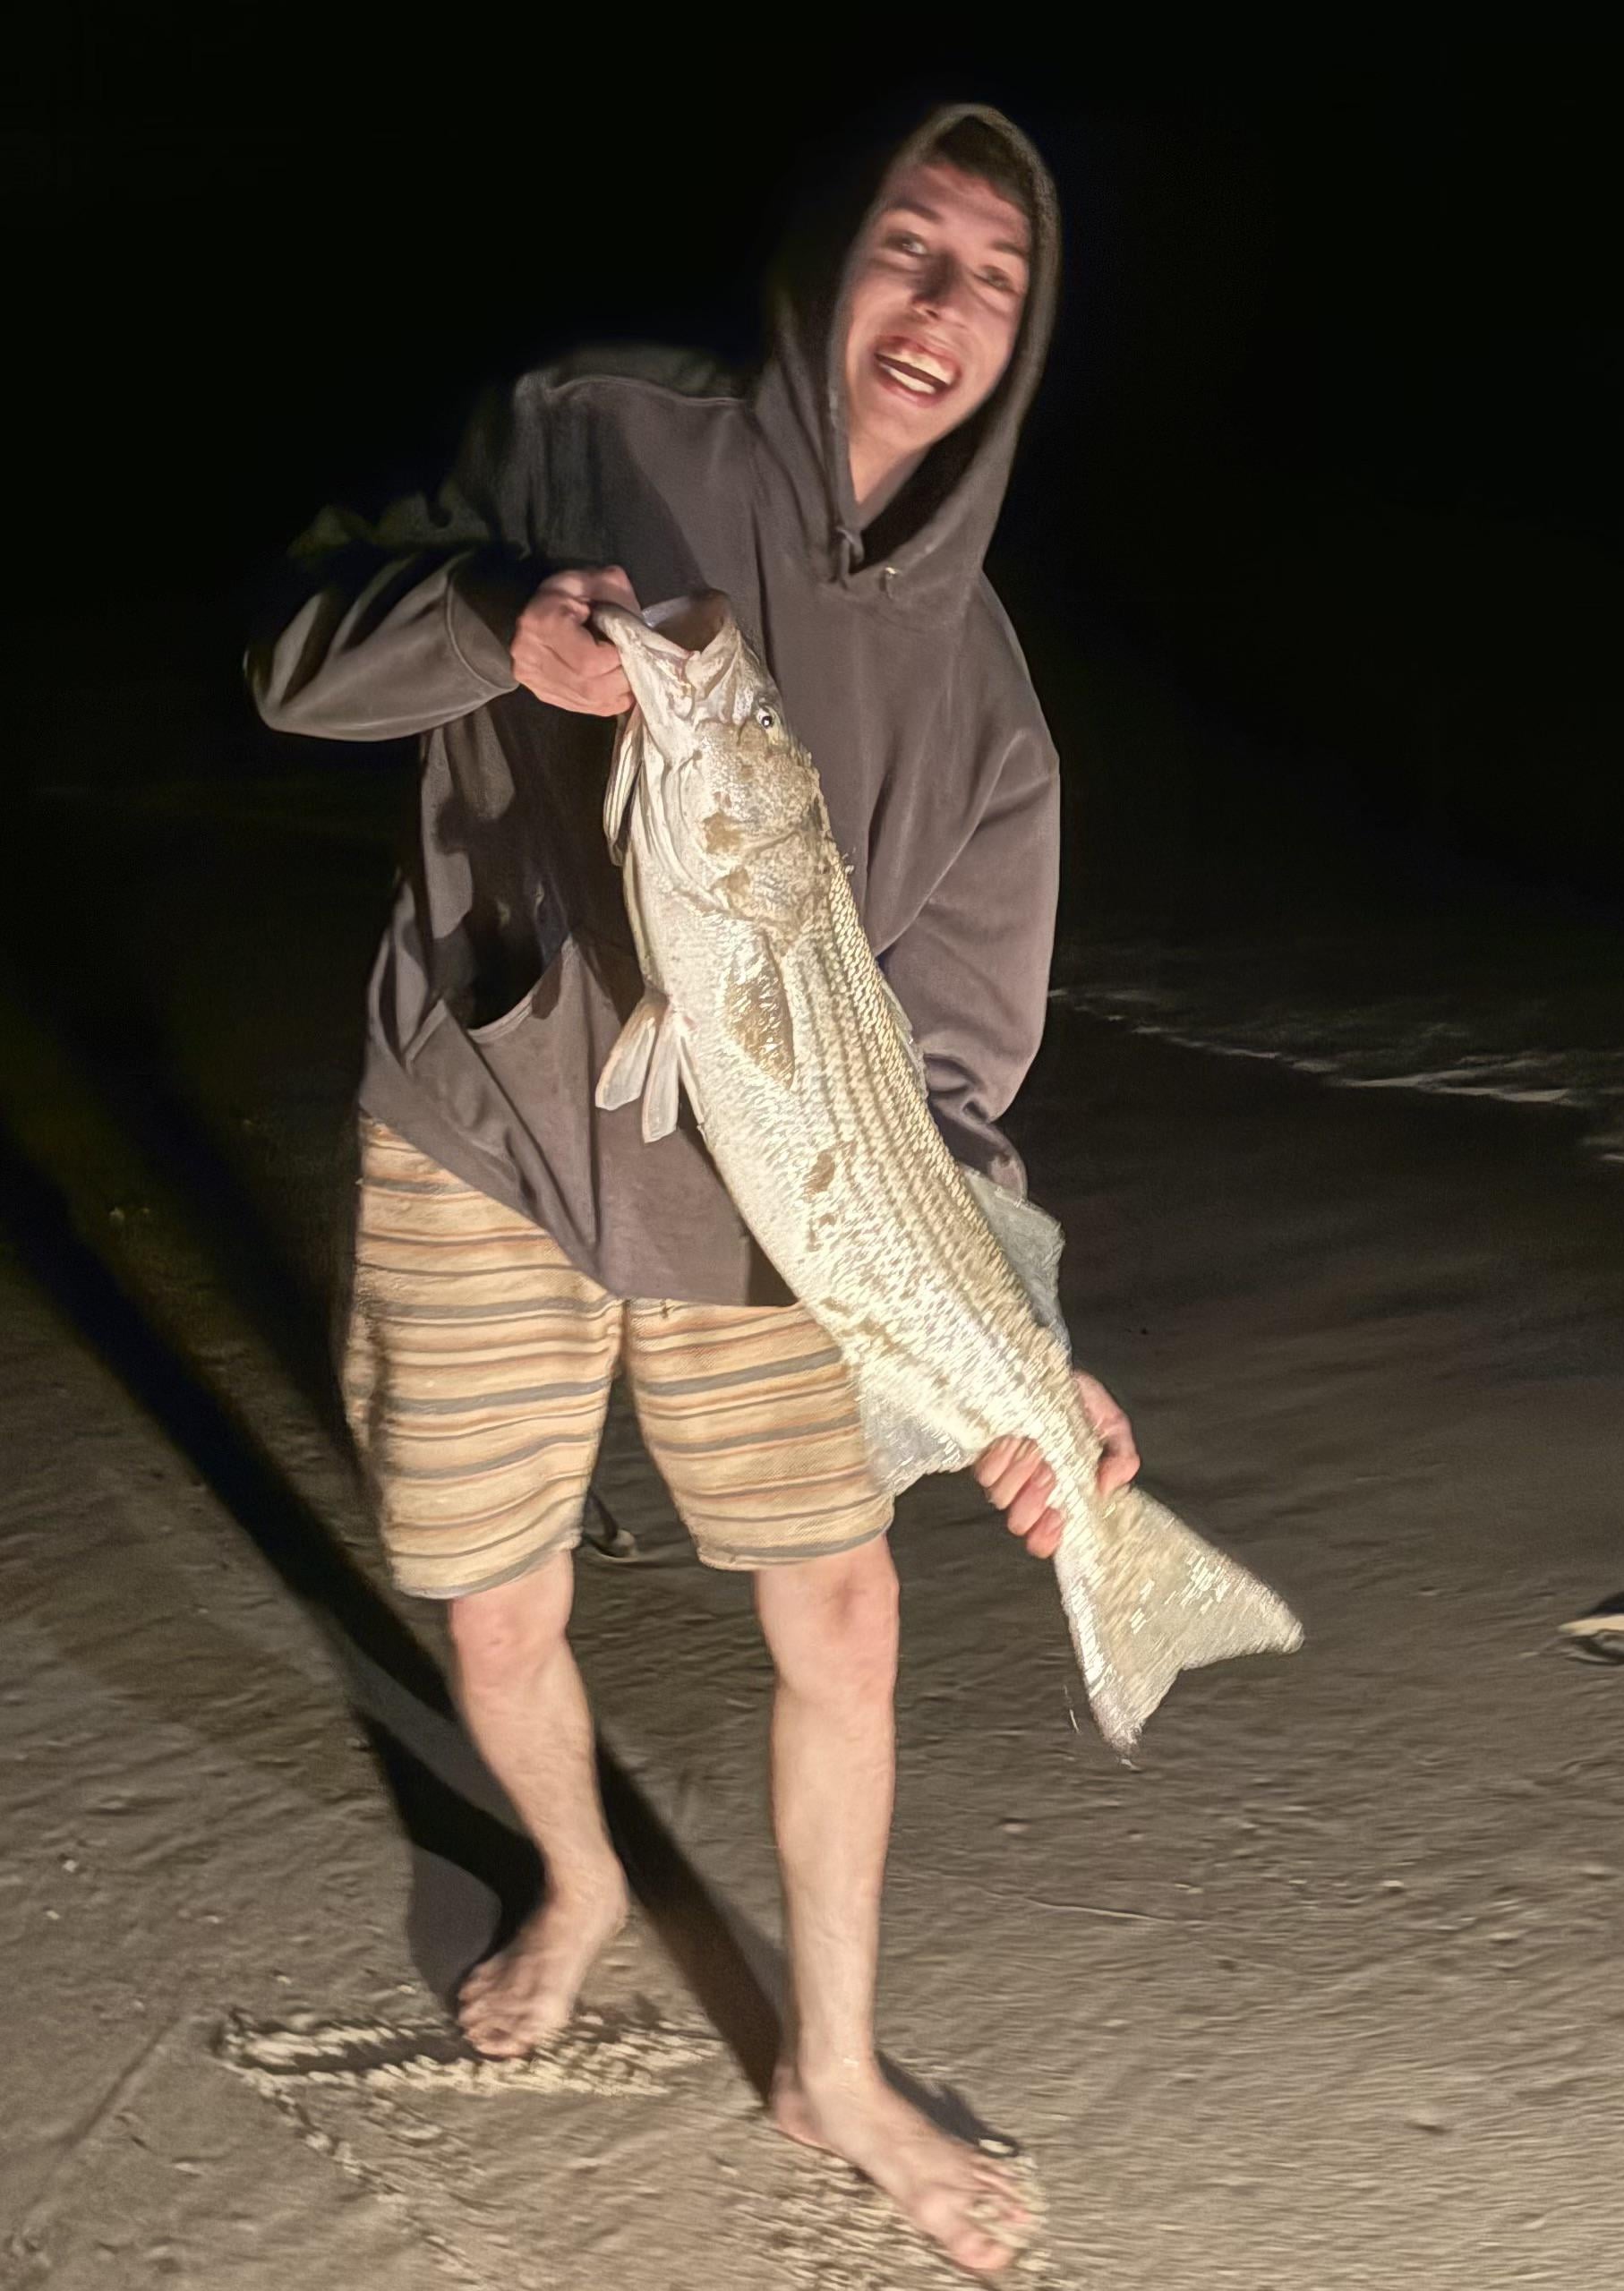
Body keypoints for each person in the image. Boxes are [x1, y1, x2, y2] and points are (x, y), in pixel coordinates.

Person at [248, 103, 1138, 2280]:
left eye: (994, 279)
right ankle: (574, 1875)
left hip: (770, 1189)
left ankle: (831, 2063)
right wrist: (493, 628)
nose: (940, 305)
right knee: (494, 1604)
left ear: (1019, 345)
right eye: (911, 242)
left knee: (847, 1618)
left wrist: (1023, 1348)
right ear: (833, 251)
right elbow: (297, 658)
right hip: (492, 1118)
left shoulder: (988, 698)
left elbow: (948, 1076)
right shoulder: (586, 431)